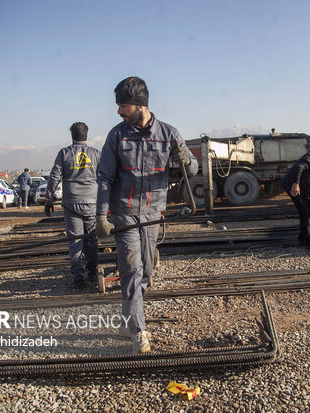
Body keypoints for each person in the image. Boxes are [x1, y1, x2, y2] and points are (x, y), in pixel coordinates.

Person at [96, 76, 198, 353]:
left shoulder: (169, 134)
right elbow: (104, 177)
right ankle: (138, 331)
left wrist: (184, 158)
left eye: (122, 105)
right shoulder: (117, 136)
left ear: (139, 105)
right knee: (131, 269)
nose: (119, 111)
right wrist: (100, 216)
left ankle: (129, 315)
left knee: (147, 271)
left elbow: (192, 171)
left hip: (153, 212)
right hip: (124, 212)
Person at [45, 122, 101, 289]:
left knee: (75, 239)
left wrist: (49, 198)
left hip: (71, 202)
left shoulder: (64, 153)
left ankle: (78, 276)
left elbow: (54, 176)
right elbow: (105, 177)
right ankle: (93, 272)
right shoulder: (96, 154)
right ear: (86, 135)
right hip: (92, 201)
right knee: (91, 239)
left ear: (72, 135)